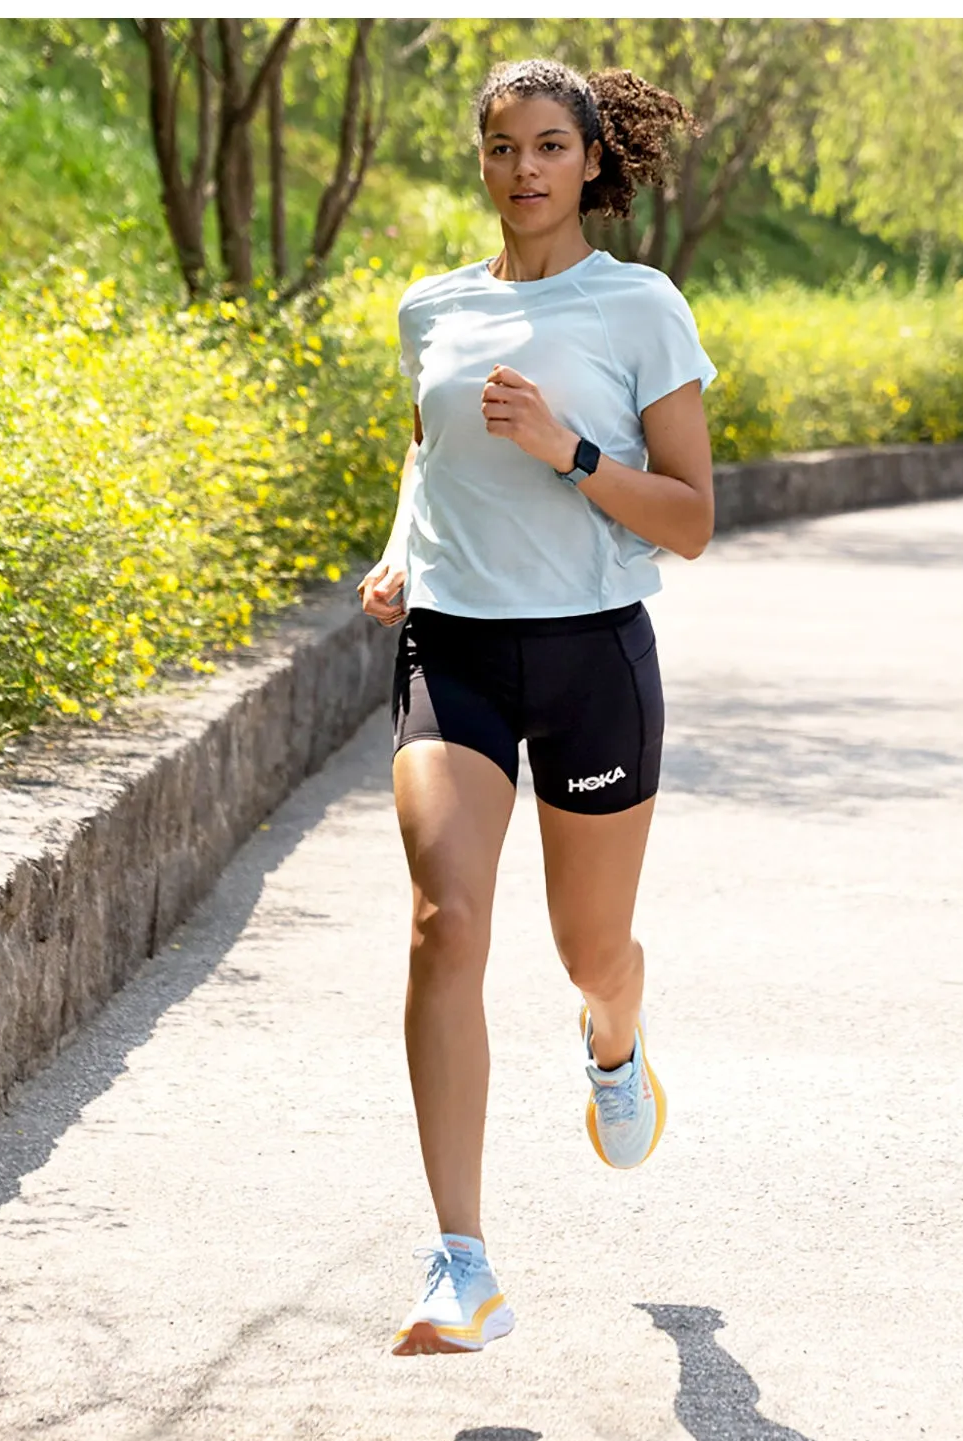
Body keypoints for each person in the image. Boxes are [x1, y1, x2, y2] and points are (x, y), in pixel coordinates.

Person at [356, 56, 719, 1357]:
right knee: (445, 920)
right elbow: (423, 449)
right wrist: (402, 548)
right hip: (452, 647)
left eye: (549, 146)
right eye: (502, 146)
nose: (523, 171)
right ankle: (460, 1263)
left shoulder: (640, 308)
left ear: (590, 159)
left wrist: (571, 453)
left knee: (588, 954)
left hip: (590, 659)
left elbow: (690, 521)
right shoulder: (430, 308)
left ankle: (614, 1042)